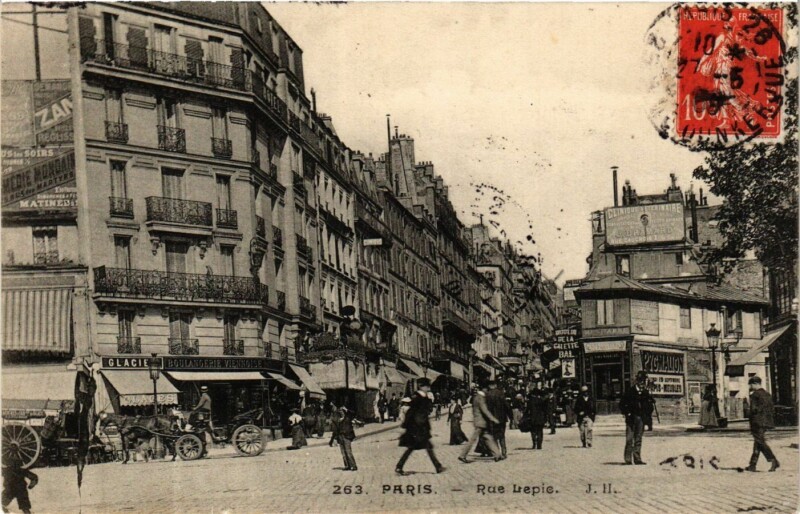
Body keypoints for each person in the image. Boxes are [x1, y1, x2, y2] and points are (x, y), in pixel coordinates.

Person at [395, 378, 445, 475]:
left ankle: (399, 466)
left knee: (417, 448)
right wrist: (405, 426)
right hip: (417, 428)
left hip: (421, 427)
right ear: (422, 387)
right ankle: (437, 466)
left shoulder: (423, 397)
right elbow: (410, 412)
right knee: (422, 447)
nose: (428, 388)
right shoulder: (417, 397)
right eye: (426, 386)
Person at [459, 382, 503, 463]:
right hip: (480, 422)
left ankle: (497, 455)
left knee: (488, 438)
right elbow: (484, 410)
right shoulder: (480, 398)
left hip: (479, 421)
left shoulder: (476, 397)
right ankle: (462, 455)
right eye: (487, 390)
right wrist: (493, 419)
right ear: (484, 389)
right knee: (473, 439)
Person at [619, 371, 653, 465]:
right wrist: (627, 413)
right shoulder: (630, 392)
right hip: (631, 419)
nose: (642, 383)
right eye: (640, 381)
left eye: (643, 381)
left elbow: (650, 408)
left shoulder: (646, 393)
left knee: (638, 439)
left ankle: (637, 459)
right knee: (629, 439)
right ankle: (628, 459)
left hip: (641, 419)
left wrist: (648, 422)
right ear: (637, 381)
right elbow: (622, 404)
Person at [746, 376, 779, 472]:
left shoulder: (755, 395)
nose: (750, 386)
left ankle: (773, 460)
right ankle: (752, 464)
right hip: (766, 422)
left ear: (755, 384)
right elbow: (772, 409)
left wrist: (750, 414)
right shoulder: (767, 394)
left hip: (757, 422)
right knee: (758, 442)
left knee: (760, 442)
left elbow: (754, 410)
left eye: (751, 384)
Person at [485, 381, 511, 457]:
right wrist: (510, 416)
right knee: (502, 435)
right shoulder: (501, 393)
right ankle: (504, 452)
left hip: (491, 419)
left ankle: (496, 453)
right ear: (495, 385)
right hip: (501, 418)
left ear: (489, 386)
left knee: (494, 436)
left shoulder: (487, 395)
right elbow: (506, 405)